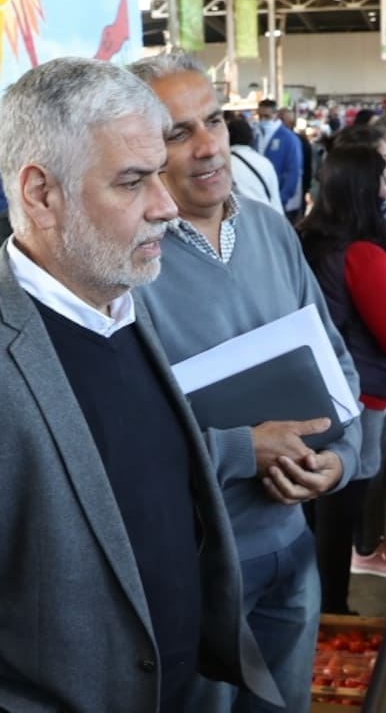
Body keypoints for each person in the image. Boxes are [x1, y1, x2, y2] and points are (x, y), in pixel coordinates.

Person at [0, 57, 279, 711]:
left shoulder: (122, 301)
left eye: (159, 173)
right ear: (40, 193)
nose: (166, 205)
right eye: (132, 181)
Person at [129, 52, 363, 713]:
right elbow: (116, 443)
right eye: (178, 133)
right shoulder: (127, 264)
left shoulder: (269, 229)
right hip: (193, 568)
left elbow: (335, 363)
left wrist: (339, 463)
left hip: (292, 543)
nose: (207, 147)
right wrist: (239, 449)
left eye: (213, 121)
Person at [298, 145, 386, 607]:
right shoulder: (362, 253)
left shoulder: (306, 239)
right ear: (364, 188)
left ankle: (311, 604)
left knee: (312, 505)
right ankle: (333, 608)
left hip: (308, 390)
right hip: (357, 395)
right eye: (383, 178)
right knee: (341, 507)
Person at [255, 99, 304, 220]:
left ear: (275, 115)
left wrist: (282, 199)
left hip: (281, 202)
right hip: (260, 199)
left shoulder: (289, 139)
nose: (263, 120)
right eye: (260, 116)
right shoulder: (256, 136)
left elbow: (294, 171)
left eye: (266, 116)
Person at [226, 114, 284, 214]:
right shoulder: (265, 162)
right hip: (270, 216)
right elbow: (275, 200)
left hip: (246, 218)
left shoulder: (225, 165)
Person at [279, 107, 315, 215]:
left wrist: (306, 188)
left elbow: (307, 167)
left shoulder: (301, 141)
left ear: (291, 123)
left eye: (281, 119)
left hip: (297, 191)